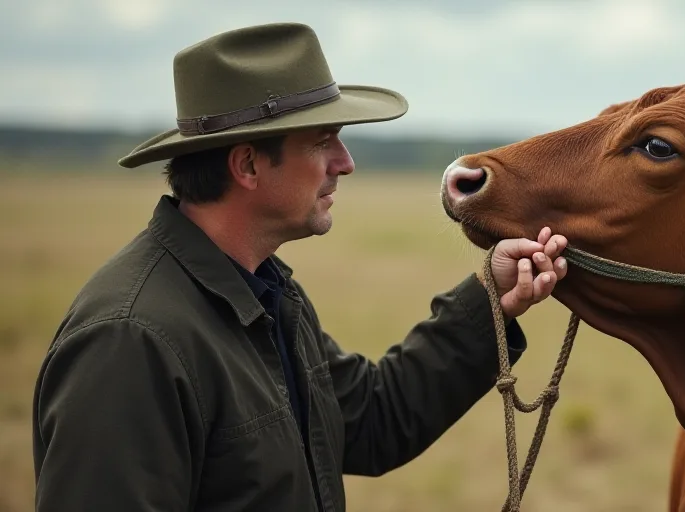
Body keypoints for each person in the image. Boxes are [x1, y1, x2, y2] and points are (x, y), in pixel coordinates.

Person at [31, 22, 568, 511]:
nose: (346, 162)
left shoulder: (263, 293)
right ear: (246, 165)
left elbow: (372, 421)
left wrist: (490, 296)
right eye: (321, 141)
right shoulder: (130, 341)